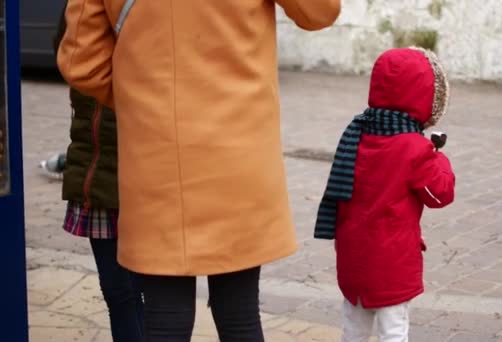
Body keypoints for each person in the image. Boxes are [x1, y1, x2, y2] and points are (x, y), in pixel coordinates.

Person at [56, 1, 341, 341]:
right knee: (239, 313)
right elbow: (321, 11)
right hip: (240, 153)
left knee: (165, 316)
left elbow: (81, 64)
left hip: (157, 157)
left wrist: (144, 102)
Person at [314, 48, 455, 342]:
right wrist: (437, 155)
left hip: (353, 257)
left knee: (353, 329)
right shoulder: (414, 148)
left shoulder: (357, 132)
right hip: (392, 264)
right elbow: (439, 194)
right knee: (393, 331)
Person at [52, 5, 144, 342]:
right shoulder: (81, 18)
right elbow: (65, 49)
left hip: (145, 181)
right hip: (97, 175)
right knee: (119, 294)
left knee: (146, 296)